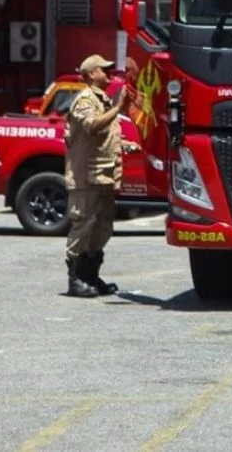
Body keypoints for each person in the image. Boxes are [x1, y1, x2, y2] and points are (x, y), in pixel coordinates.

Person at [63, 54, 132, 298]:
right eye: (104, 69)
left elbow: (104, 138)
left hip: (103, 176)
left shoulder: (102, 100)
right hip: (85, 177)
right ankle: (75, 279)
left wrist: (124, 144)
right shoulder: (85, 100)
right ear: (91, 74)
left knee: (102, 227)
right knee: (83, 226)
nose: (109, 72)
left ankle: (90, 275)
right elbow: (91, 126)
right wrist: (118, 108)